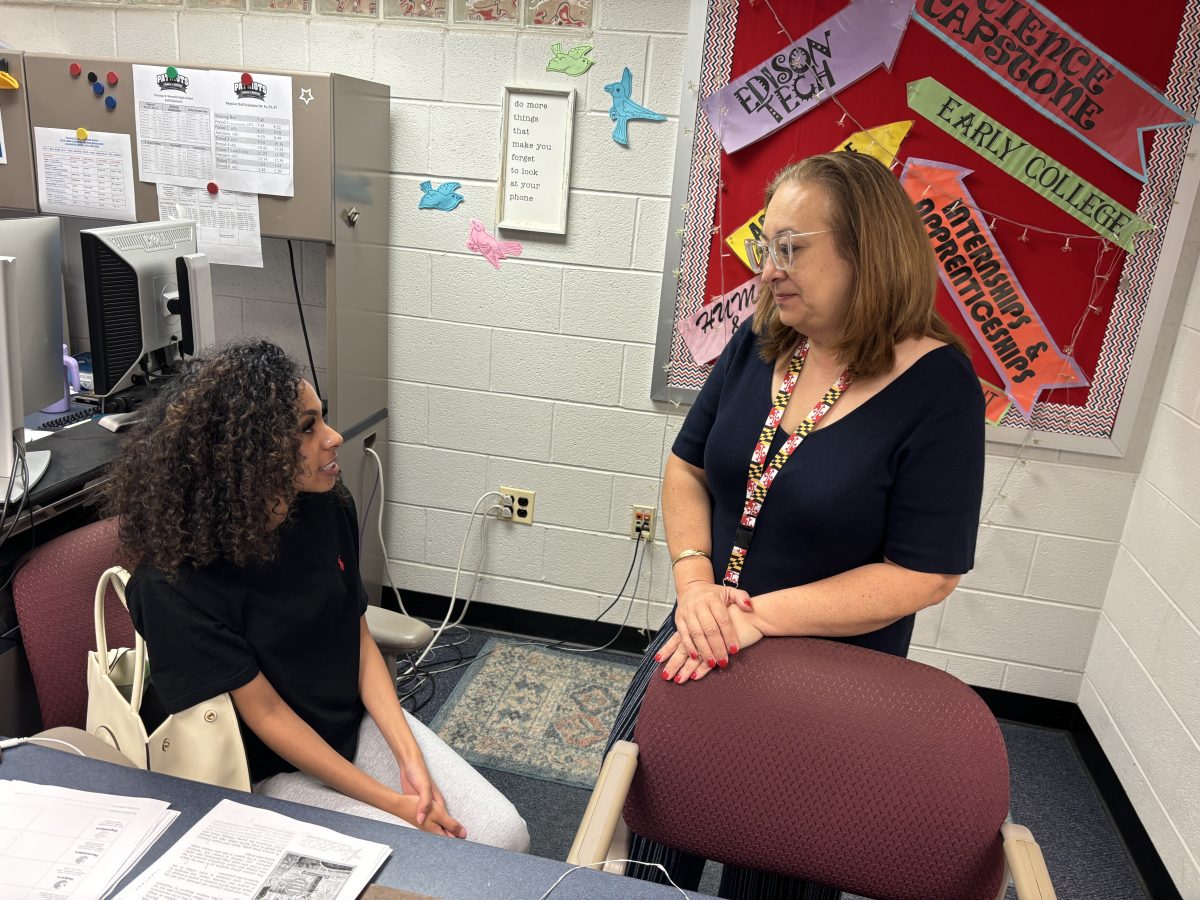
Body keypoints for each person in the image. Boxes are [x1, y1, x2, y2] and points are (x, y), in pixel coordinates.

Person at [607, 152, 985, 898]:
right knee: (635, 847)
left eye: (793, 248)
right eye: (764, 246)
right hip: (701, 632)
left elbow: (926, 572)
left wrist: (754, 619)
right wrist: (693, 584)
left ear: (866, 254)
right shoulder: (760, 341)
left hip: (824, 682)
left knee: (774, 874)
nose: (769, 269)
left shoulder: (939, 386)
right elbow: (687, 467)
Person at [104, 339, 529, 853]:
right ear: (247, 457)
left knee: (505, 836)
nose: (333, 438)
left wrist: (408, 757)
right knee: (428, 863)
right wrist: (392, 803)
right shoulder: (174, 583)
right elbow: (267, 718)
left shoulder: (326, 506)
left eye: (322, 418)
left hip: (347, 725)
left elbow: (357, 635)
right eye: (308, 428)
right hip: (259, 769)